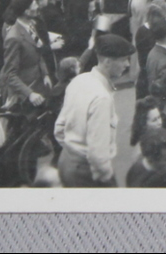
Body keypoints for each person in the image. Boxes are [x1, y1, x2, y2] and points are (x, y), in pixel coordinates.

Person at [53, 32, 132, 187]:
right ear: (108, 62)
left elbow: (59, 129)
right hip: (86, 172)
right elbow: (98, 154)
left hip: (65, 162)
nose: (127, 65)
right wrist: (107, 177)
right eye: (124, 60)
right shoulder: (102, 98)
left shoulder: (79, 80)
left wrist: (73, 150)